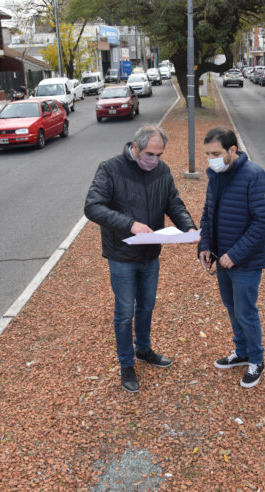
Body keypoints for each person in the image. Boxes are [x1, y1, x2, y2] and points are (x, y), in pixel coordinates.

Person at [84, 124, 196, 393]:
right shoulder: (110, 169)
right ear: (135, 147)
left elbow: (174, 203)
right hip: (122, 255)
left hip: (150, 253)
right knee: (124, 312)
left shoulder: (162, 171)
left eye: (159, 155)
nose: (154, 160)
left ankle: (143, 349)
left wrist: (189, 227)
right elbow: (92, 206)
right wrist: (129, 224)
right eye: (149, 154)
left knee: (146, 306)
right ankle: (126, 364)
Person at [198, 127, 265, 388]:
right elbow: (208, 212)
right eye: (208, 154)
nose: (211, 159)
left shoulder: (256, 176)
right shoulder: (216, 176)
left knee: (246, 311)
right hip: (222, 260)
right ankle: (241, 352)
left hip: (245, 262)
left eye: (216, 153)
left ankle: (257, 359)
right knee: (232, 308)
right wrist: (205, 245)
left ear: (233, 150)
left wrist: (235, 254)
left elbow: (264, 222)